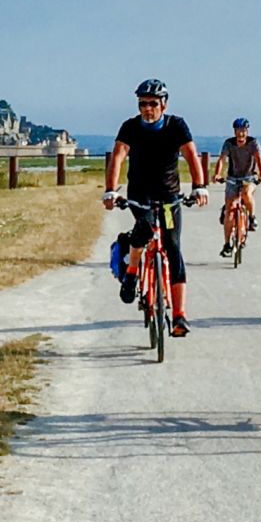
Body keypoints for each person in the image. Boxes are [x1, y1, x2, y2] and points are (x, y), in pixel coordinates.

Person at [103, 79, 207, 335]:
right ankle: (131, 272)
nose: (147, 109)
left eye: (152, 103)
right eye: (142, 104)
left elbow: (191, 155)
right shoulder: (130, 127)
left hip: (170, 196)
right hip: (140, 194)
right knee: (145, 227)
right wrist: (110, 190)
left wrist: (199, 186)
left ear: (164, 104)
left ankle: (180, 315)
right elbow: (118, 156)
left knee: (173, 247)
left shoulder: (176, 126)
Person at [216, 118, 261, 257]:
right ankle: (227, 243)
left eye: (243, 131)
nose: (241, 134)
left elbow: (259, 160)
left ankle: (252, 217)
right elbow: (222, 159)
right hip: (233, 178)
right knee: (229, 210)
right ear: (235, 132)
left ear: (247, 131)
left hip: (249, 177)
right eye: (238, 131)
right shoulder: (229, 143)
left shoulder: (253, 143)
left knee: (247, 194)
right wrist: (217, 174)